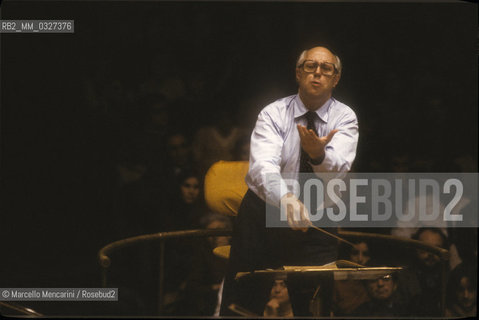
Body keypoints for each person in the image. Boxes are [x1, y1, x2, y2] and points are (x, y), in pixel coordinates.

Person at [221, 46, 358, 316]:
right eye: (310, 66)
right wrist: (285, 198)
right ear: (298, 73)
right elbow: (262, 167)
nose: (317, 72)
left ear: (336, 78)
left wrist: (318, 154)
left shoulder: (345, 117)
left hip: (317, 214)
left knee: (314, 306)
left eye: (326, 68)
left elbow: (339, 169)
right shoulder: (273, 113)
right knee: (241, 305)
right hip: (264, 212)